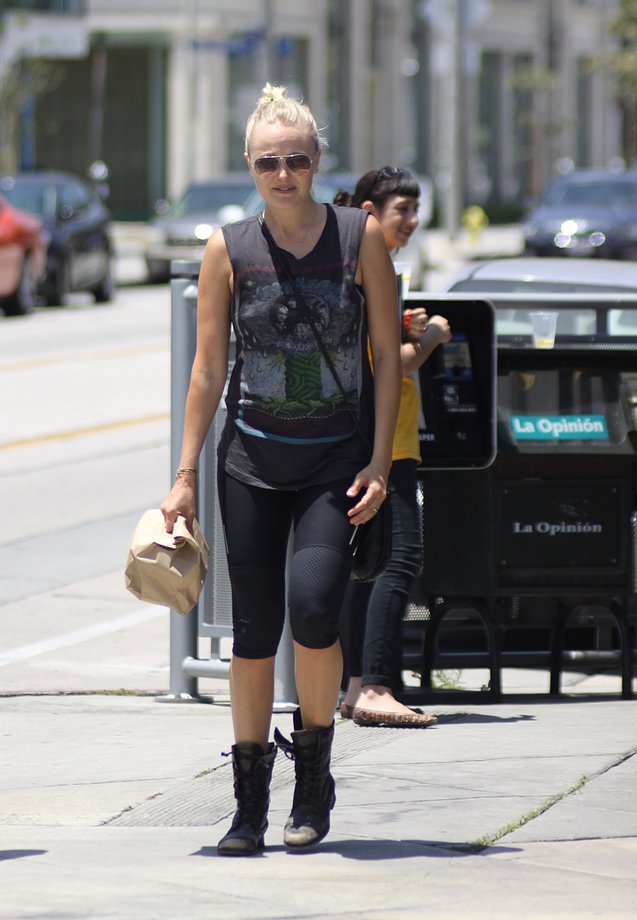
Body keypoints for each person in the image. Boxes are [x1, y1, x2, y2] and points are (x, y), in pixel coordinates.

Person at [160, 86, 401, 855]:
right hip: (250, 460)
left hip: (335, 460)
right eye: (268, 162)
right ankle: (247, 805)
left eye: (296, 160)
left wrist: (378, 462)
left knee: (315, 608)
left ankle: (314, 779)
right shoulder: (228, 248)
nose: (283, 174)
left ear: (317, 161)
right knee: (254, 630)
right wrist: (184, 474)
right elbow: (207, 369)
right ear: (249, 166)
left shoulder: (358, 236)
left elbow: (385, 357)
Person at [336, 168, 452, 727]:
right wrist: (429, 340)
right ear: (369, 211)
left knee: (369, 563)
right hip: (384, 443)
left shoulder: (362, 266)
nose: (412, 220)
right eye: (402, 209)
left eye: (415, 209)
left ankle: (356, 686)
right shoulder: (366, 266)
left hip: (381, 438)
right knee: (400, 558)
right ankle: (377, 687)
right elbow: (385, 362)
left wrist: (406, 326)